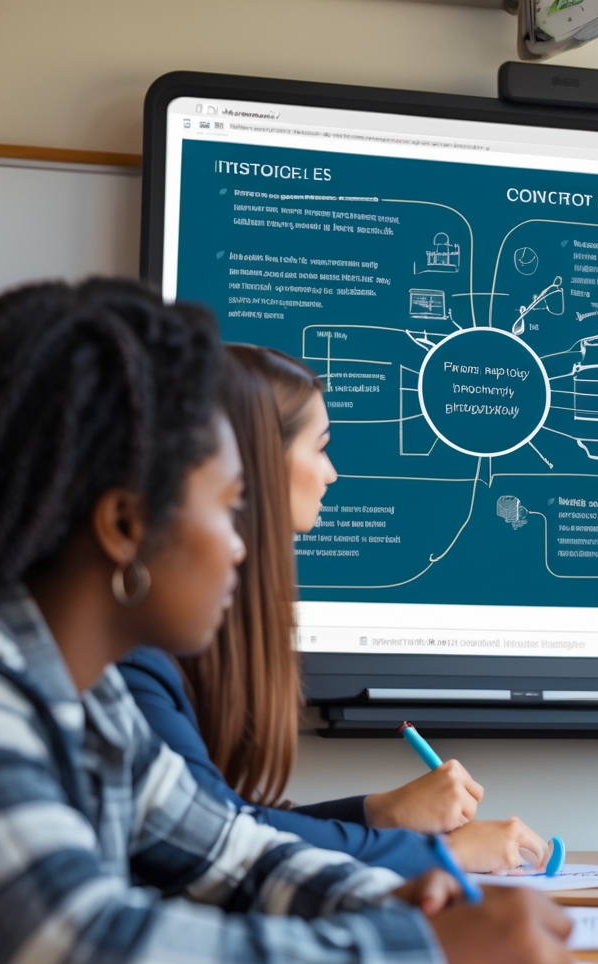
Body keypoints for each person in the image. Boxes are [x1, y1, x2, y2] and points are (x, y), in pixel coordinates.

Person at [0, 280, 571, 964]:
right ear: (123, 524)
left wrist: (409, 905)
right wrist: (425, 963)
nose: (246, 545)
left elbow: (236, 854)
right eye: (226, 507)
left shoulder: (91, 698)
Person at [118, 345, 547, 876]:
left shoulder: (196, 638)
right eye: (319, 449)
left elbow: (232, 820)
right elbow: (217, 837)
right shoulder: (135, 657)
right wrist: (439, 856)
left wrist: (380, 813)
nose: (332, 474)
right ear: (252, 465)